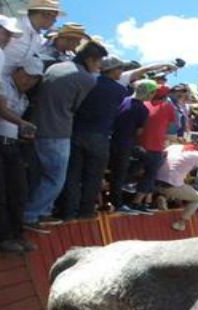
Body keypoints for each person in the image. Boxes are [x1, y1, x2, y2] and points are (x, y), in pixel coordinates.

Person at [24, 40, 105, 228]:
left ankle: (42, 212)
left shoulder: (55, 67)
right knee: (55, 178)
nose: (99, 66)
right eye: (99, 61)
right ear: (91, 59)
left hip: (35, 125)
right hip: (57, 130)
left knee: (39, 176)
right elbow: (77, 107)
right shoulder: (86, 79)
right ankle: (31, 215)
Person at [61, 55, 128, 221]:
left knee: (73, 175)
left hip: (76, 132)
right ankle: (86, 212)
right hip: (100, 136)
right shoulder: (120, 90)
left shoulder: (88, 82)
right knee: (93, 176)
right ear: (112, 70)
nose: (121, 72)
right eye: (120, 68)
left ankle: (68, 212)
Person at [0, 15, 32, 253]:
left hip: (5, 138)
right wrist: (21, 122)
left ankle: (12, 235)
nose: (8, 39)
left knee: (12, 188)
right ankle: (3, 237)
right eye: (5, 33)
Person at [108, 80, 156, 213]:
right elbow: (139, 131)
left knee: (143, 161)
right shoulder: (142, 109)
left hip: (111, 139)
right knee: (120, 174)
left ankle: (126, 183)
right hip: (124, 143)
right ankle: (118, 202)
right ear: (149, 93)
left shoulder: (123, 100)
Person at [133, 85, 175, 211]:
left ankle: (146, 202)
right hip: (155, 146)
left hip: (138, 144)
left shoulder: (143, 104)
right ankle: (137, 202)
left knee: (138, 173)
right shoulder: (167, 107)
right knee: (150, 175)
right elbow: (171, 127)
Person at [3, 0, 61, 75]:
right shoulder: (12, 25)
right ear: (43, 15)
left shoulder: (38, 38)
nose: (55, 20)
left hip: (7, 82)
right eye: (54, 16)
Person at [156, 143, 198, 231]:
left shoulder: (174, 146)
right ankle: (180, 223)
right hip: (171, 185)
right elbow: (193, 171)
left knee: (180, 183)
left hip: (155, 179)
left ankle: (162, 196)